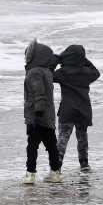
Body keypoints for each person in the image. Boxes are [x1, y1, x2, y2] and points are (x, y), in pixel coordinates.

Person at [54, 44, 100, 172]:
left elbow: (48, 75)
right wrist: (83, 59)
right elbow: (96, 72)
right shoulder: (87, 72)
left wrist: (58, 60)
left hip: (67, 109)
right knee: (82, 137)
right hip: (83, 109)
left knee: (63, 137)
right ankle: (84, 164)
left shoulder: (62, 73)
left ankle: (56, 166)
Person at [22, 39, 63, 184]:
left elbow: (39, 92)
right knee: (51, 146)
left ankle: (30, 174)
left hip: (36, 117)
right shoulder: (47, 72)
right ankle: (55, 173)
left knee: (32, 146)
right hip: (48, 117)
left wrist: (37, 112)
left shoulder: (35, 72)